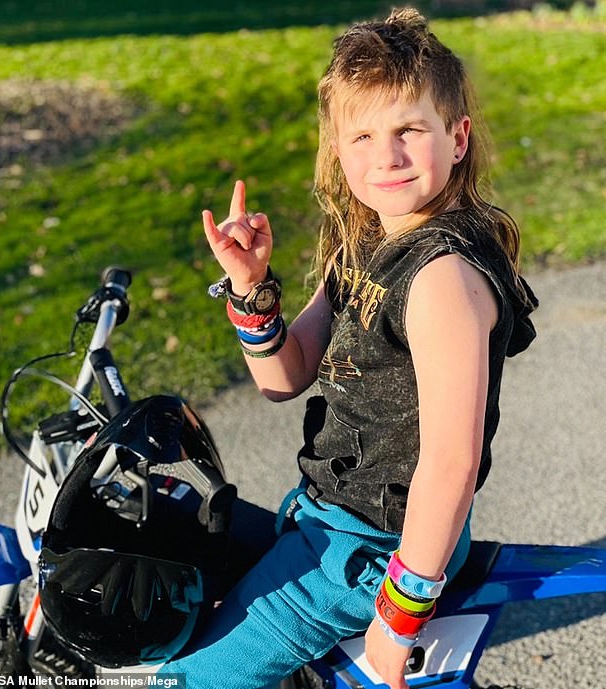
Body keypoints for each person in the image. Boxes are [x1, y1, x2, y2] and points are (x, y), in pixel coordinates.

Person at [159, 7, 538, 688]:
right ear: (337, 147)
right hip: (326, 514)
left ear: (457, 139)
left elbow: (451, 462)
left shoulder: (442, 278)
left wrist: (399, 615)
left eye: (409, 130)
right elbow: (285, 374)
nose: (385, 156)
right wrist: (251, 290)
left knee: (182, 680)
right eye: (361, 135)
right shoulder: (367, 243)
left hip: (376, 548)